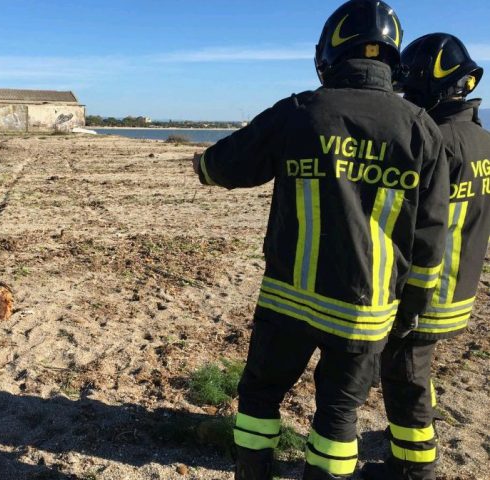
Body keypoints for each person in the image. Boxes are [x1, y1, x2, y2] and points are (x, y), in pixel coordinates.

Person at [192, 1, 449, 478]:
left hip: (288, 302)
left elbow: (217, 167)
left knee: (260, 398)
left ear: (329, 52)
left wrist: (201, 166)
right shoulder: (420, 129)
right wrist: (414, 305)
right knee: (338, 415)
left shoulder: (299, 113)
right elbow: (432, 234)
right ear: (392, 61)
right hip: (365, 313)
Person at [361, 33, 490, 480]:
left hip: (427, 287)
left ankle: (412, 465)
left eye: (409, 92)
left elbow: (415, 222)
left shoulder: (435, 140)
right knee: (419, 367)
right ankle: (414, 433)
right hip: (461, 284)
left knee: (405, 376)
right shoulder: (480, 140)